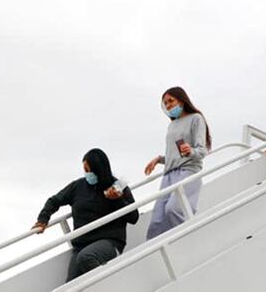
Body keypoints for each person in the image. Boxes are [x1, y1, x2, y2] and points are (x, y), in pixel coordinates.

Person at [33, 149, 139, 281]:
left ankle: (112, 284)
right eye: (85, 170)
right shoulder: (78, 186)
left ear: (99, 169)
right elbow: (54, 201)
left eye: (89, 170)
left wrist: (118, 199)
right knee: (70, 285)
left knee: (86, 257)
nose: (87, 174)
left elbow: (134, 217)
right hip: (81, 246)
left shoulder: (117, 186)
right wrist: (43, 218)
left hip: (109, 242)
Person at [143, 86, 212, 239]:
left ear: (181, 100)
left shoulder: (196, 118)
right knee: (157, 219)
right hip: (169, 174)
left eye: (170, 101)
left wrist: (191, 150)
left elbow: (202, 151)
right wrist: (159, 160)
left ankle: (188, 239)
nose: (168, 106)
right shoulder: (172, 125)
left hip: (188, 171)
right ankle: (153, 252)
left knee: (173, 209)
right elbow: (175, 155)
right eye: (165, 103)